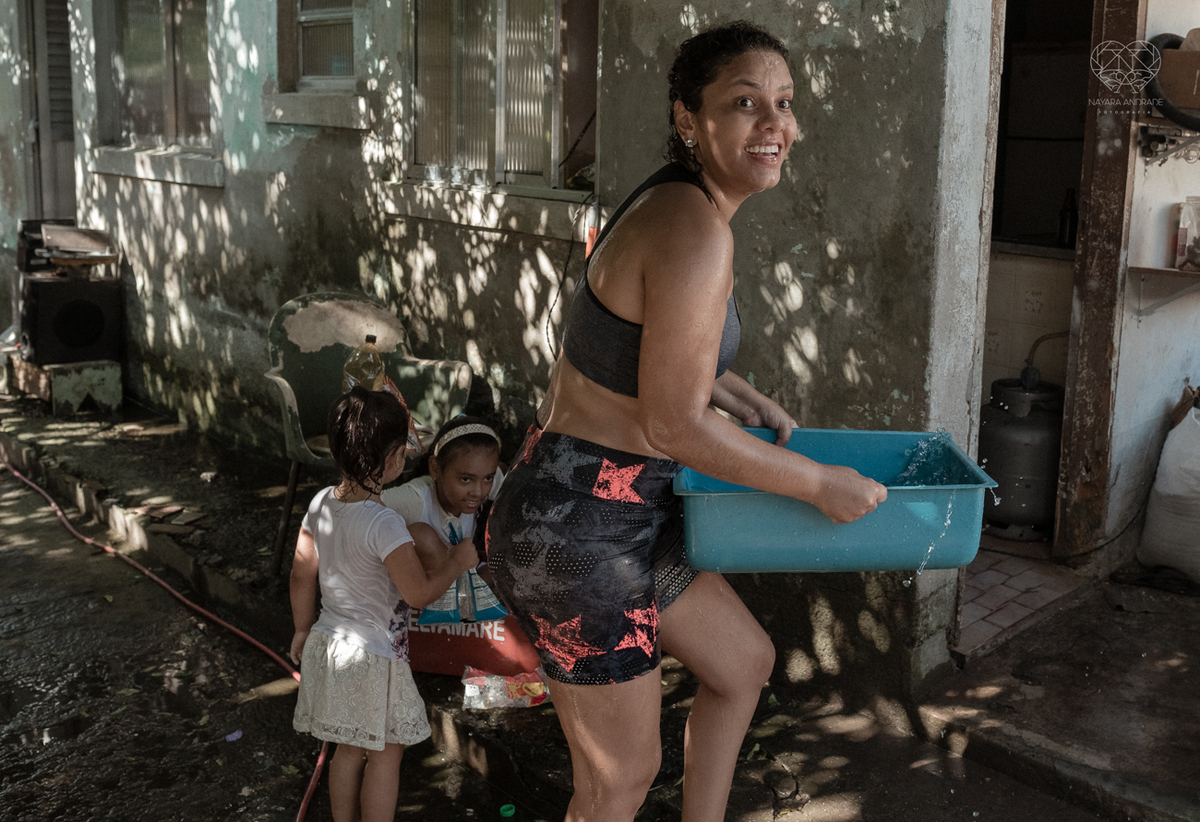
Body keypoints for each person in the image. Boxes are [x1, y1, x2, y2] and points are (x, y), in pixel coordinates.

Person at [484, 21, 888, 822]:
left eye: (783, 104)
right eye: (744, 104)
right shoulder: (694, 228)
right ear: (688, 120)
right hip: (578, 529)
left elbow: (639, 338)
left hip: (620, 508)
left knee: (741, 663)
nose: (774, 125)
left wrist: (731, 389)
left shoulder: (680, 205)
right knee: (617, 780)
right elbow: (673, 427)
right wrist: (819, 486)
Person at [288, 387, 479, 822]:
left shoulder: (320, 504)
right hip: (373, 660)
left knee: (348, 751)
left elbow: (301, 573)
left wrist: (301, 629)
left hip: (330, 647)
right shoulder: (385, 523)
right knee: (386, 756)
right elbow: (417, 594)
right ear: (393, 458)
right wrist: (456, 562)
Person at [381, 416, 507, 622]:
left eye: (488, 478)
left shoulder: (481, 484)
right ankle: (462, 609)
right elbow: (356, 509)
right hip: (425, 591)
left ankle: (467, 605)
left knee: (509, 560)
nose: (478, 491)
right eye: (465, 479)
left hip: (464, 582)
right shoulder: (414, 500)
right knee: (422, 535)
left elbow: (506, 478)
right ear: (436, 469)